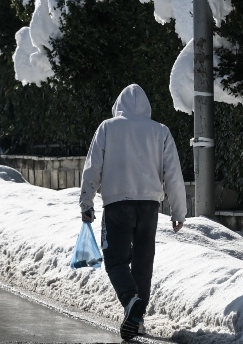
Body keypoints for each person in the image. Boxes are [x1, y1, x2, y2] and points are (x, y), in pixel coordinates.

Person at [80, 84, 187, 341]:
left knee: (116, 260)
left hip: (117, 204)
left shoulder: (107, 128)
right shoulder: (161, 131)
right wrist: (178, 211)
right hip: (149, 206)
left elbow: (93, 166)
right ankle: (138, 320)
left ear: (118, 106)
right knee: (143, 262)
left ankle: (130, 301)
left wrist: (86, 202)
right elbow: (173, 173)